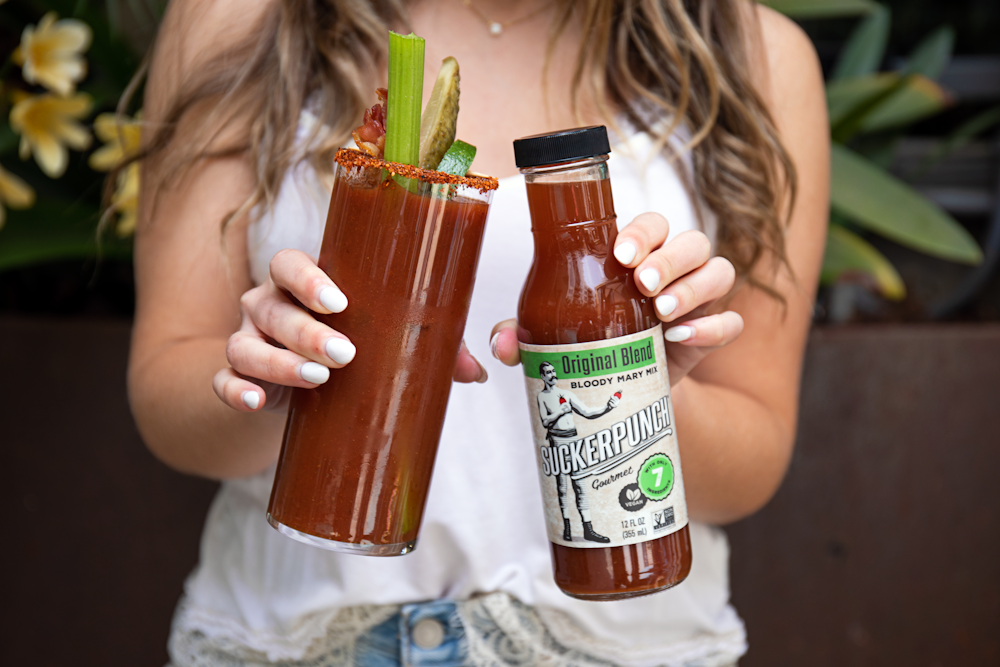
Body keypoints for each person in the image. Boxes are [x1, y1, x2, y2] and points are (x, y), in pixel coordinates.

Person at [127, 0, 828, 665]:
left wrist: (642, 384)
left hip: (615, 646)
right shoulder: (245, 20)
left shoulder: (753, 55)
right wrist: (270, 376)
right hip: (289, 637)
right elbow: (166, 398)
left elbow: (750, 463)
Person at [536, 360, 619, 543]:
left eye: (553, 371)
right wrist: (559, 412)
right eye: (548, 372)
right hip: (557, 440)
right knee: (562, 486)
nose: (552, 374)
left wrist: (607, 408)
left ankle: (588, 528)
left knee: (580, 485)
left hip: (573, 440)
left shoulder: (566, 394)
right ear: (542, 376)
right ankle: (566, 526)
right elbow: (544, 422)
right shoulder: (542, 397)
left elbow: (587, 412)